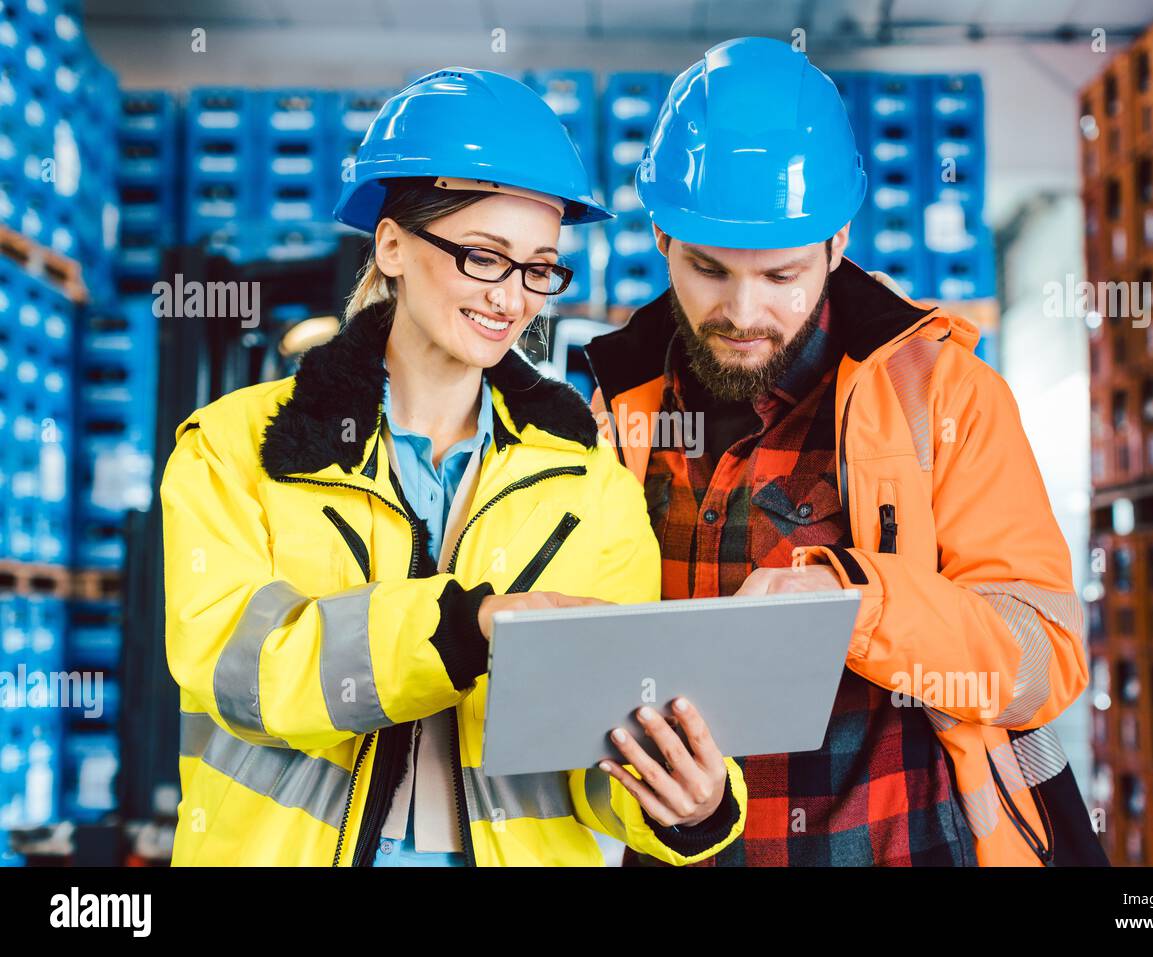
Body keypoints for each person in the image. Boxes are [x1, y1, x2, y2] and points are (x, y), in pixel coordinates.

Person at [161, 68, 745, 866]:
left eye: (539, 266)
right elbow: (242, 675)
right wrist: (460, 627)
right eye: (484, 256)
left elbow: (594, 761)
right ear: (392, 244)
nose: (513, 298)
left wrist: (687, 802)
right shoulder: (233, 449)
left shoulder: (587, 484)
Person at [586, 37, 1107, 866]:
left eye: (782, 275)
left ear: (837, 244)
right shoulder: (613, 410)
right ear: (660, 235)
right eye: (709, 270)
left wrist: (849, 601)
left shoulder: (946, 395)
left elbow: (1044, 658)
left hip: (911, 845)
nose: (742, 312)